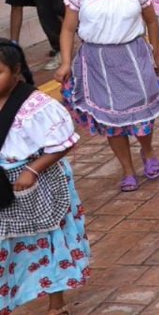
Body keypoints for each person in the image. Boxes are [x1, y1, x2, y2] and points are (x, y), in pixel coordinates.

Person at [58, 0, 159, 192]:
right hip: (96, 62)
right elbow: (67, 28)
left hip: (133, 56)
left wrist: (155, 51)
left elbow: (151, 21)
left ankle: (147, 151)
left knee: (142, 112)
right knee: (111, 121)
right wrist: (65, 62)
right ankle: (127, 170)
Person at [0, 39, 90, 315]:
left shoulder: (35, 105)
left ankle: (56, 304)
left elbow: (63, 142)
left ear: (16, 71)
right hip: (2, 184)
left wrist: (32, 170)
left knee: (49, 240)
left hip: (35, 183)